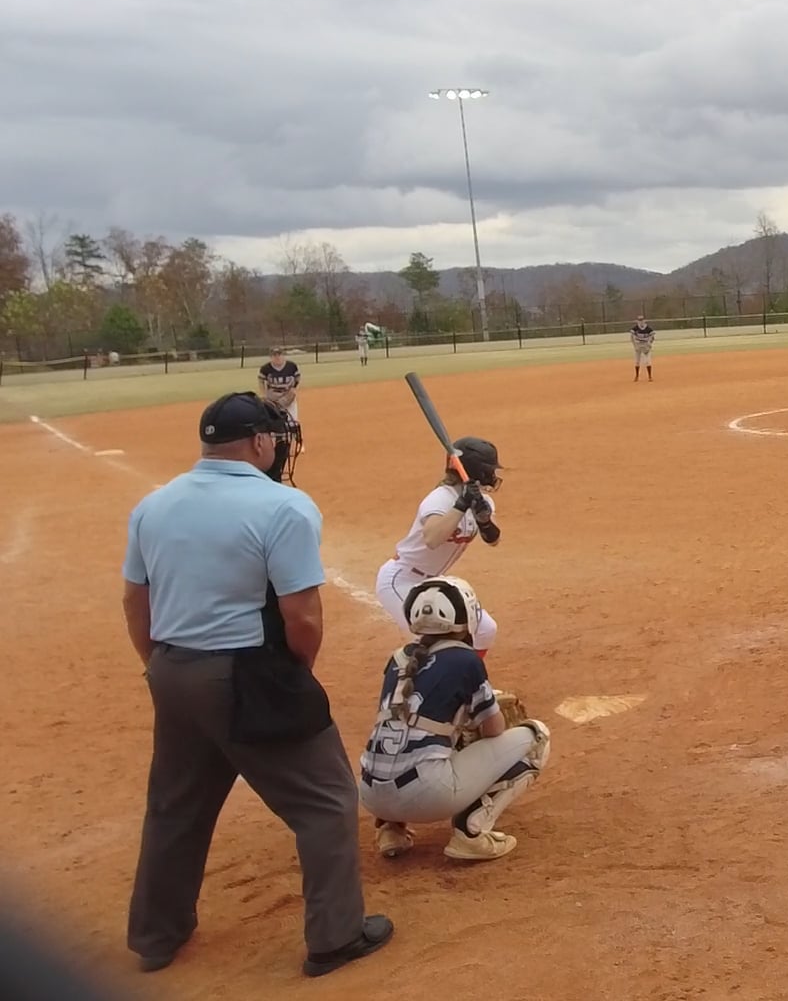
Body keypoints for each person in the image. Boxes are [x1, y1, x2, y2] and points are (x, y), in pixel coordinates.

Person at [122, 392, 392, 978]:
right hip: (248, 673)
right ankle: (335, 937)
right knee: (326, 801)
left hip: (171, 670)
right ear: (261, 442)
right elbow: (303, 617)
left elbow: (135, 601)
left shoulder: (153, 505)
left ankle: (156, 936)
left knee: (175, 805)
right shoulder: (283, 506)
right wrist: (293, 677)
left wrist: (158, 666)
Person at [360, 575, 551, 862]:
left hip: (370, 794)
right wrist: (476, 721)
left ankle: (390, 829)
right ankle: (471, 832)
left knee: (410, 739)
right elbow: (494, 729)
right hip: (426, 795)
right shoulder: (465, 660)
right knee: (536, 736)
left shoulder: (398, 659)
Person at [374, 437, 505, 657]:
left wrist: (485, 521)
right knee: (434, 637)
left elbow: (493, 541)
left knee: (485, 629)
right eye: (487, 470)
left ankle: (469, 675)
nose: (492, 475)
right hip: (402, 579)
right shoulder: (440, 499)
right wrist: (461, 505)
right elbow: (432, 539)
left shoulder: (482, 500)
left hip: (434, 582)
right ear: (474, 470)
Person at [257, 347, 301, 420]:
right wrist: (263, 394)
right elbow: (261, 380)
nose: (277, 357)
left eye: (279, 355)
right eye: (274, 355)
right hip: (273, 398)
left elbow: (297, 377)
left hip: (288, 396)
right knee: (274, 421)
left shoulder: (292, 366)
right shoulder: (265, 368)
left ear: (283, 355)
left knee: (292, 421)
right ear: (270, 357)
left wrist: (293, 388)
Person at [629, 315, 655, 382]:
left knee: (648, 361)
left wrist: (649, 344)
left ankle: (650, 376)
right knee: (637, 362)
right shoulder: (635, 328)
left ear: (644, 321)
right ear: (637, 321)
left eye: (642, 320)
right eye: (639, 320)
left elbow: (652, 337)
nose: (641, 322)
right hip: (638, 345)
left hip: (645, 345)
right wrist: (634, 345)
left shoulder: (648, 328)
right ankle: (637, 376)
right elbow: (631, 337)